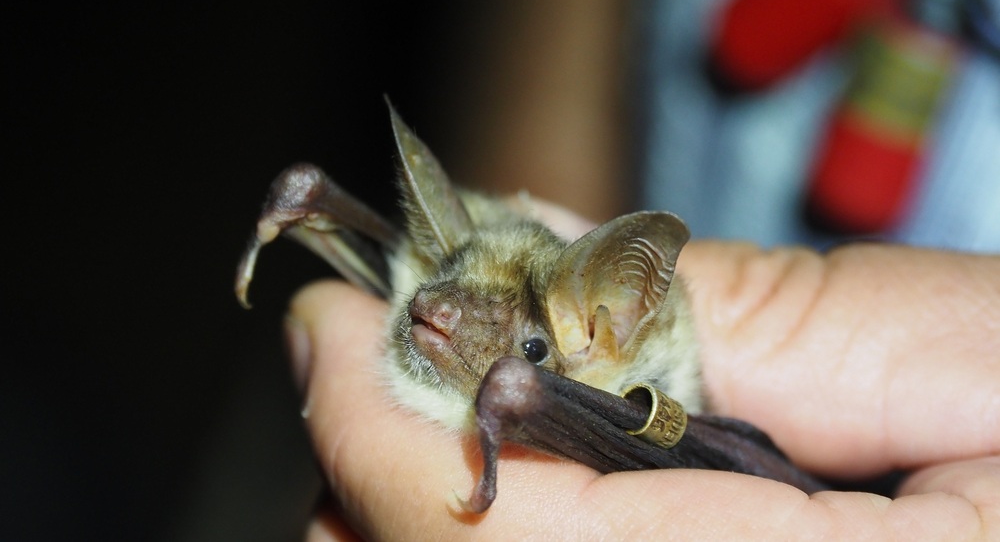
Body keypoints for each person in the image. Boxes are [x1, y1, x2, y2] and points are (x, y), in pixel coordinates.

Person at [284, 200, 1000, 540]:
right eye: (450, 283)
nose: (439, 313)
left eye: (530, 341)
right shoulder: (489, 347)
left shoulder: (599, 379)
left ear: (594, 337)